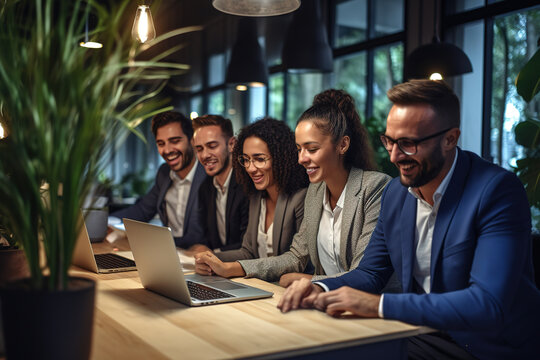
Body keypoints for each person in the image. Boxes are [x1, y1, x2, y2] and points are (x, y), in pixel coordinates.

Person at [278, 80, 540, 359]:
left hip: (487, 348)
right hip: (419, 336)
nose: (394, 156)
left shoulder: (497, 191)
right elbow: (370, 273)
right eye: (389, 141)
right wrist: (319, 287)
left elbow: (486, 304)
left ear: (450, 138)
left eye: (408, 144)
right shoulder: (395, 193)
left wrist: (379, 306)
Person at [196, 90, 391, 286]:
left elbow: (365, 274)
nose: (301, 159)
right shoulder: (316, 192)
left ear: (342, 145)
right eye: (299, 149)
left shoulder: (374, 187)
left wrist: (311, 280)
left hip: (367, 309)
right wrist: (231, 267)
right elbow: (296, 257)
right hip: (328, 305)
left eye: (312, 149)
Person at [194, 117, 309, 274]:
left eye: (259, 159)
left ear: (281, 158)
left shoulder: (301, 198)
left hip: (290, 290)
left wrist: (232, 268)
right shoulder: (256, 197)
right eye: (246, 160)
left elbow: (296, 261)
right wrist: (210, 258)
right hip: (261, 287)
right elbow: (248, 253)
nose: (250, 168)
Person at [111, 111, 207, 249]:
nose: (167, 150)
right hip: (168, 254)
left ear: (192, 140)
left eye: (175, 141)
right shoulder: (164, 173)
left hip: (201, 256)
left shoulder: (207, 174)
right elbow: (142, 211)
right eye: (161, 143)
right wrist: (106, 222)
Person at [192, 114, 249, 252]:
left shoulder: (247, 184)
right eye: (199, 149)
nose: (204, 155)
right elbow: (204, 236)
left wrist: (213, 254)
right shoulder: (205, 188)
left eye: (212, 146)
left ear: (231, 144)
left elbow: (247, 244)